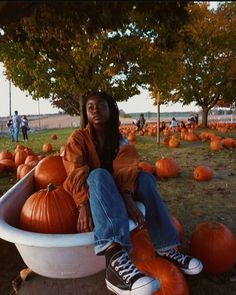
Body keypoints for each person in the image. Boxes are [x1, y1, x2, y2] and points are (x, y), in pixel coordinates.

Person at [62, 91, 203, 295]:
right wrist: (82, 204)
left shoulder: (120, 140)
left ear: (111, 110)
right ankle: (114, 260)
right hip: (95, 195)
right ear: (85, 112)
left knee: (145, 178)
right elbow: (74, 171)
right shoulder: (78, 139)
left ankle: (165, 248)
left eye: (101, 105)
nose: (95, 110)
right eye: (90, 107)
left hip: (119, 192)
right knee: (99, 175)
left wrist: (127, 196)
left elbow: (126, 168)